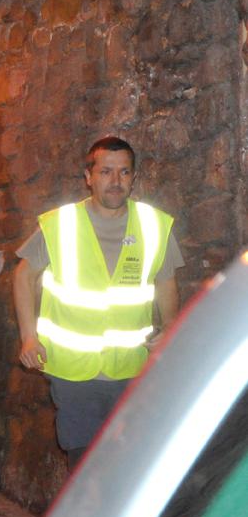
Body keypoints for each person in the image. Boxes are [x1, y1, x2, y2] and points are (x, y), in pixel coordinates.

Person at [12, 136, 183, 471]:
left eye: (124, 172)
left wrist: (171, 328)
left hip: (131, 367)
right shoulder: (61, 223)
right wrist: (29, 336)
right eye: (106, 172)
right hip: (73, 370)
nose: (115, 181)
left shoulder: (154, 225)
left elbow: (166, 281)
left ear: (134, 177)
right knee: (84, 462)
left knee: (125, 463)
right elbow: (23, 275)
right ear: (89, 177)